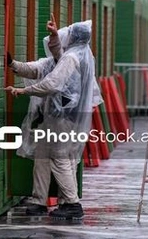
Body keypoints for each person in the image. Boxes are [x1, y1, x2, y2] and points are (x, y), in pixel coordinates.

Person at [6, 20, 102, 220]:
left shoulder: (71, 58)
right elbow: (38, 67)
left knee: (60, 158)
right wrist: (13, 65)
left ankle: (72, 202)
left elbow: (52, 84)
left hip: (63, 119)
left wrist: (24, 90)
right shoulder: (79, 56)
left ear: (73, 38)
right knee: (43, 156)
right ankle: (39, 200)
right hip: (60, 118)